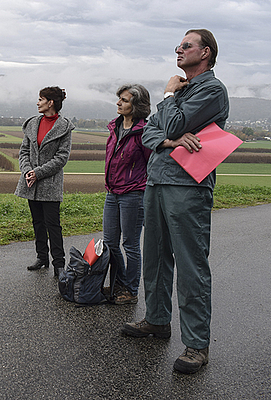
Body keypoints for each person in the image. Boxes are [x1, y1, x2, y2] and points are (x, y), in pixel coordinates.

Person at [121, 29, 229, 374]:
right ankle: (156, 320)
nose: (178, 50)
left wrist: (168, 95)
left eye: (186, 46)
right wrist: (170, 141)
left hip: (188, 185)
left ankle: (197, 345)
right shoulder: (183, 91)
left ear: (206, 53)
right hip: (157, 180)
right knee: (153, 256)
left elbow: (172, 120)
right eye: (178, 45)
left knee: (190, 264)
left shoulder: (212, 90)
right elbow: (150, 133)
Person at [15, 86, 75, 277]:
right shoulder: (32, 123)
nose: (37, 102)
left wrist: (38, 172)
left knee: (53, 224)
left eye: (41, 99)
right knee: (37, 222)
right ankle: (42, 258)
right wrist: (27, 171)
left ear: (50, 102)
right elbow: (24, 151)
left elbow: (61, 158)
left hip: (50, 183)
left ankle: (59, 264)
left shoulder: (64, 127)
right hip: (30, 182)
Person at [102, 84, 152, 305]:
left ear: (137, 105)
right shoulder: (114, 127)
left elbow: (152, 164)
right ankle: (117, 284)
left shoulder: (144, 132)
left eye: (124, 100)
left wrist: (141, 184)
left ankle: (130, 290)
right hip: (112, 193)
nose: (119, 103)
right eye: (119, 99)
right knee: (111, 243)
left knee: (130, 245)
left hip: (133, 194)